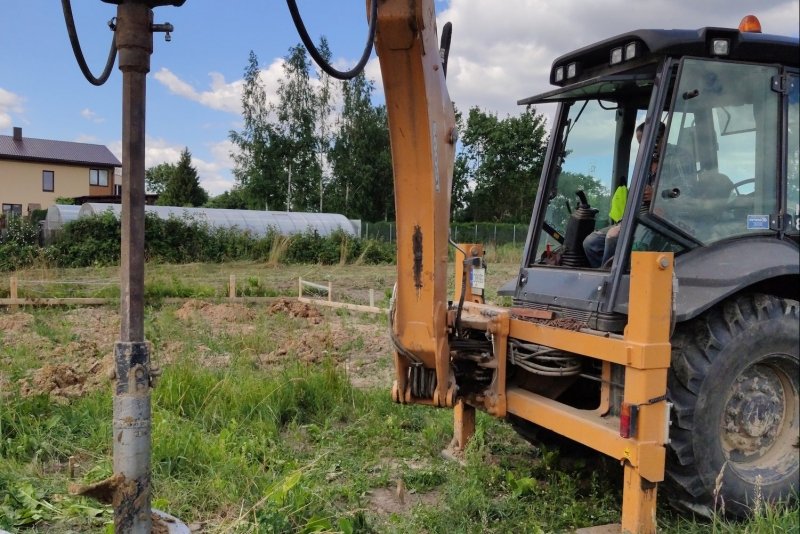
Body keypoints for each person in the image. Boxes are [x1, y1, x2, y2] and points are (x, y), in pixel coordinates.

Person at [583, 122, 662, 268]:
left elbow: (684, 193)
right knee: (591, 242)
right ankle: (607, 273)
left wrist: (657, 196)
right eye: (640, 143)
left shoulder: (675, 161)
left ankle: (611, 279)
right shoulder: (644, 164)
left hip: (664, 219)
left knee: (613, 235)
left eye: (648, 141)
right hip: (638, 217)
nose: (644, 147)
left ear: (660, 139)